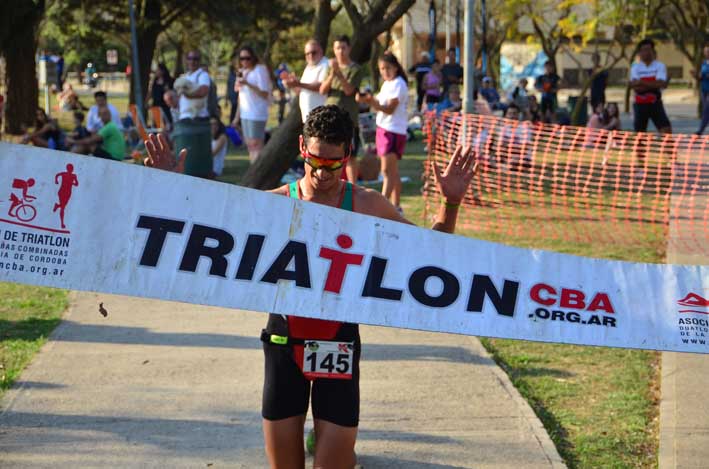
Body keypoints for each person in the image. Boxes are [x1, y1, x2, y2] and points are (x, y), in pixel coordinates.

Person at [142, 104, 478, 469]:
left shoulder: (367, 205)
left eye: (333, 163)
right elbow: (195, 234)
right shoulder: (274, 204)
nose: (322, 172)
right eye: (314, 160)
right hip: (284, 345)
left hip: (338, 343)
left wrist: (451, 203)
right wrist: (168, 189)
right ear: (302, 147)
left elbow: (433, 256)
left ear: (347, 155)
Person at [357, 53, 409, 213]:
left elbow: (389, 109)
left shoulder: (399, 84)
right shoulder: (387, 84)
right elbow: (379, 103)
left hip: (393, 130)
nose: (385, 71)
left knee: (386, 171)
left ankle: (381, 207)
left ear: (395, 67)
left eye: (388, 68)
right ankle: (396, 206)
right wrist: (367, 100)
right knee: (393, 171)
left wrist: (372, 102)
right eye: (381, 68)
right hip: (384, 129)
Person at [320, 35, 367, 183]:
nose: (340, 52)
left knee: (350, 154)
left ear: (349, 49)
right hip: (330, 117)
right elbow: (322, 90)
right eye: (337, 48)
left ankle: (352, 186)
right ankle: (330, 182)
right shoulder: (330, 68)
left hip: (348, 118)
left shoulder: (356, 69)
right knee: (329, 151)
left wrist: (339, 74)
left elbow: (349, 90)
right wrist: (332, 74)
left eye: (343, 48)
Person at [233, 46, 272, 162]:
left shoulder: (260, 70)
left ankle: (259, 172)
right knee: (249, 145)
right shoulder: (241, 72)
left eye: (247, 58)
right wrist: (236, 117)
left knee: (256, 144)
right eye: (242, 58)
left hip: (257, 113)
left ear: (253, 58)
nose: (244, 61)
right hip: (245, 114)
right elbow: (240, 96)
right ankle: (253, 171)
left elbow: (265, 93)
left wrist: (248, 84)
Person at [630, 38, 672, 134]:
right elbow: (636, 88)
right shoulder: (635, 68)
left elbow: (660, 84)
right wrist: (653, 84)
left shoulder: (660, 66)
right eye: (643, 50)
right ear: (639, 52)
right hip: (640, 105)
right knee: (640, 135)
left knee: (666, 130)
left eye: (648, 50)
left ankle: (668, 148)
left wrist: (641, 82)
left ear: (653, 51)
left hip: (655, 103)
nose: (646, 53)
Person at [283, 39, 329, 124]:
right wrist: (292, 84)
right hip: (308, 116)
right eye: (307, 53)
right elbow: (301, 91)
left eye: (313, 52)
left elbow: (321, 87)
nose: (310, 56)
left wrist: (298, 83)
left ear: (321, 51)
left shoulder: (325, 64)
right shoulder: (308, 67)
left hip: (321, 117)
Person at [53, 164, 78, 229]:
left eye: (71, 168)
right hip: (62, 191)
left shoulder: (74, 176)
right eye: (70, 168)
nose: (70, 170)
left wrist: (72, 183)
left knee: (63, 206)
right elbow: (57, 175)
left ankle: (57, 205)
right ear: (67, 169)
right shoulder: (64, 173)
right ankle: (62, 223)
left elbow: (77, 184)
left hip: (68, 193)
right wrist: (56, 180)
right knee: (63, 208)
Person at [695, 44, 709, 135]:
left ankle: (700, 130)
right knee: (706, 110)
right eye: (705, 51)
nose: (706, 53)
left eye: (708, 51)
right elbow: (701, 76)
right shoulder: (704, 63)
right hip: (704, 90)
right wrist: (696, 76)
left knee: (707, 110)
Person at [227, 53, 239, 124]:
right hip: (233, 99)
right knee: (232, 119)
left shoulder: (241, 72)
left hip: (240, 100)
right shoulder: (231, 73)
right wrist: (226, 97)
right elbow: (228, 85)